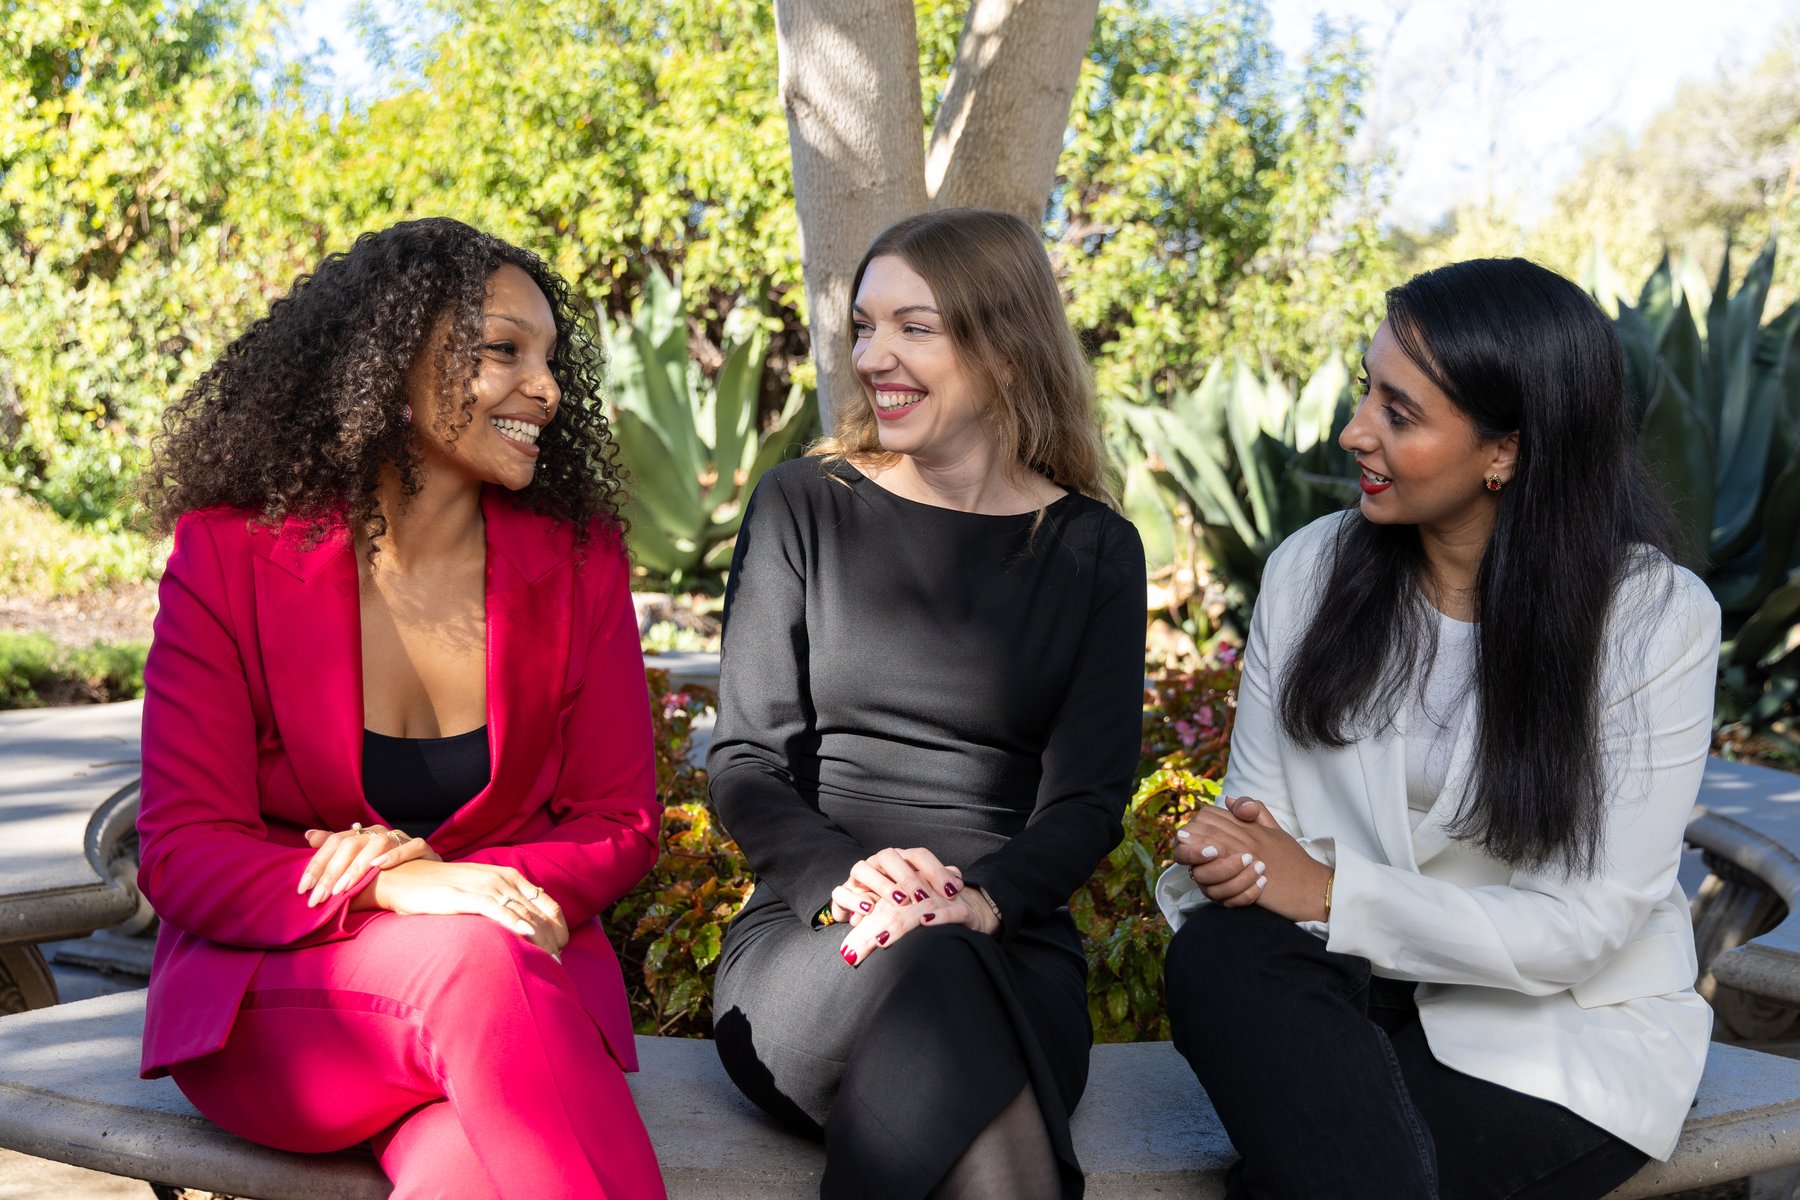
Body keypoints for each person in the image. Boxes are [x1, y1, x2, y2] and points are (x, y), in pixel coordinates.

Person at [1157, 257, 1717, 1199]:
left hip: (1557, 1030)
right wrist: (1238, 859)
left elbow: (1579, 925)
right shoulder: (1310, 571)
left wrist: (1333, 892)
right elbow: (1262, 825)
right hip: (1339, 996)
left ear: (1507, 451)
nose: (1354, 431)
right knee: (1219, 952)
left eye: (1399, 414)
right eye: (1367, 391)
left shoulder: (1652, 621)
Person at [136, 218, 667, 1200]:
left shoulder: (577, 559)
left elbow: (619, 821)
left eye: (551, 358)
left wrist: (462, 880)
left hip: (512, 1016)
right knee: (474, 961)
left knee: (469, 1173)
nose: (545, 388)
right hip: (286, 1007)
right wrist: (394, 887)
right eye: (504, 349)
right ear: (393, 357)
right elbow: (183, 848)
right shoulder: (229, 555)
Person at [706, 207, 1146, 1200]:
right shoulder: (804, 507)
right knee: (936, 974)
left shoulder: (1094, 552)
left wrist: (978, 898)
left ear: (1005, 342)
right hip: (819, 945)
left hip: (1010, 941)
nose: (874, 356)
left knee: (951, 963)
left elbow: (1086, 801)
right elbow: (745, 763)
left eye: (915, 326)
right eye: (863, 325)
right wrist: (858, 881)